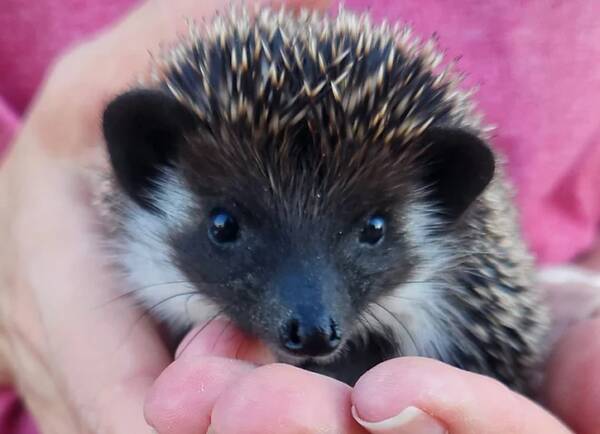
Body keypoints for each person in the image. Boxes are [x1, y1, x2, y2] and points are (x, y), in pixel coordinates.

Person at [0, 0, 599, 433]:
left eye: (372, 232)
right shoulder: (129, 256)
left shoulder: (451, 312)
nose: (311, 318)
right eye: (227, 229)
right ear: (147, 169)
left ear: (442, 201)